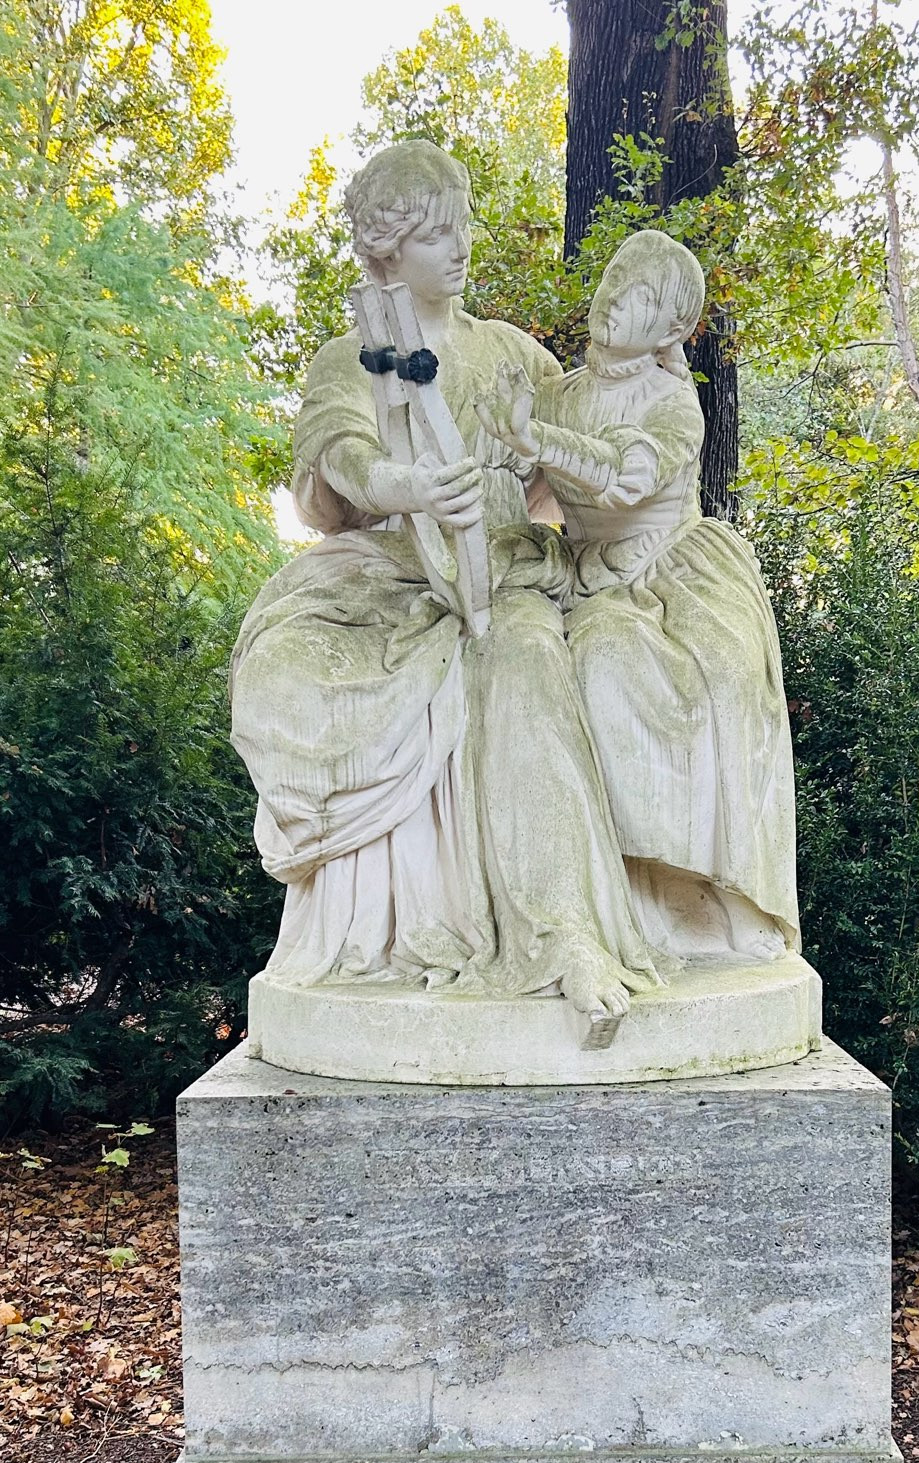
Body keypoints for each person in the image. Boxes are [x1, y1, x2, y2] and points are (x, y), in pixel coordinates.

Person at [230, 141, 660, 1028]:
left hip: (501, 565)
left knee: (524, 655)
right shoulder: (350, 356)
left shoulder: (509, 354)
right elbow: (341, 457)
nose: (461, 248)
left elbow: (593, 428)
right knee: (283, 657)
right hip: (387, 567)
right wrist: (408, 487)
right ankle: (385, 937)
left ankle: (566, 932)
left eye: (464, 227)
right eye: (437, 235)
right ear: (388, 251)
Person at [476, 231, 801, 964]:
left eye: (645, 296)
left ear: (673, 331)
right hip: (592, 580)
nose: (619, 298)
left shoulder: (674, 403)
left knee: (724, 676)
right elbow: (514, 485)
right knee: (602, 663)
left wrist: (536, 437)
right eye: (617, 279)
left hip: (676, 571)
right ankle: (635, 896)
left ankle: (734, 895)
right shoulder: (556, 394)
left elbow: (627, 479)